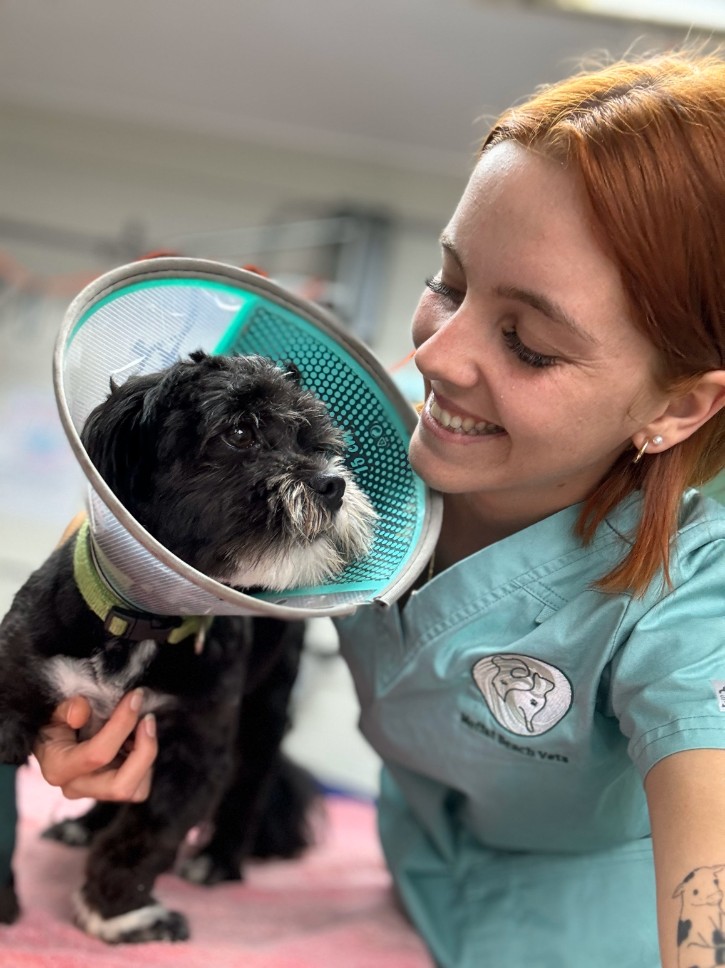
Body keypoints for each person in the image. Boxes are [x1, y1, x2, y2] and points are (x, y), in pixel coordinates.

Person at [29, 49, 725, 967]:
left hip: (604, 926)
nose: (438, 357)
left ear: (676, 406)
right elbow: (132, 515)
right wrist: (63, 698)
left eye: (526, 343)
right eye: (448, 282)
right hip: (414, 864)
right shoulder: (348, 414)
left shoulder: (693, 591)